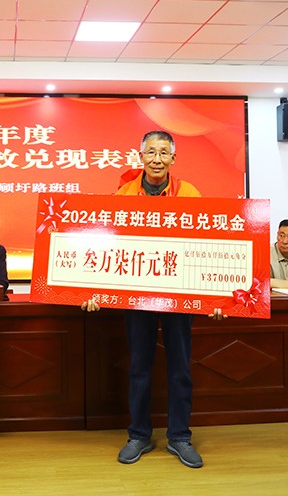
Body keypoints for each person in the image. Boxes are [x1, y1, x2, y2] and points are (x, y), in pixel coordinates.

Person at [85, 130, 209, 469]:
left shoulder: (189, 193)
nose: (157, 159)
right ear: (141, 157)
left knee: (180, 367)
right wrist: (90, 289)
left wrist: (215, 295)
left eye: (163, 152)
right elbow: (107, 243)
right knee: (139, 366)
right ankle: (139, 434)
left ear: (173, 158)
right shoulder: (123, 194)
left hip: (178, 292)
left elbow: (207, 243)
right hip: (136, 292)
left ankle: (180, 437)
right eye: (151, 152)